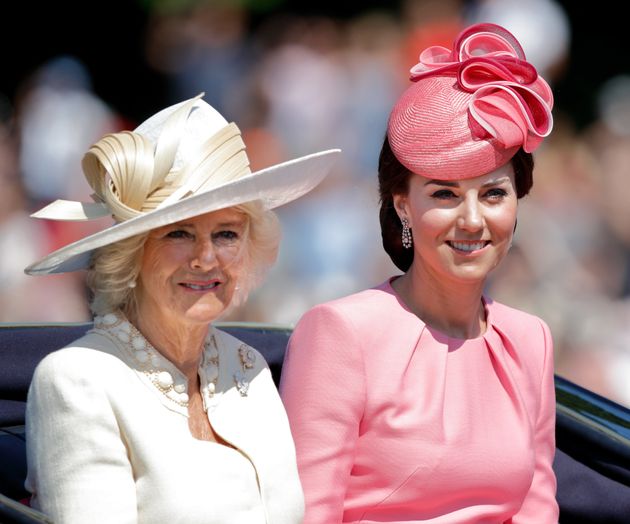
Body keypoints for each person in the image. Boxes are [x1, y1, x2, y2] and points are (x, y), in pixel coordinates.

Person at [280, 23, 558, 523]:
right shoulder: (341, 334)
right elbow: (306, 515)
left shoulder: (529, 340)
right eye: (445, 194)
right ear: (402, 205)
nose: (473, 220)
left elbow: (538, 512)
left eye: (493, 193)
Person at [23, 93, 340, 523]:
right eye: (179, 234)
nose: (206, 259)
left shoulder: (248, 367)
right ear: (131, 254)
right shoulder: (76, 381)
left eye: (226, 234)